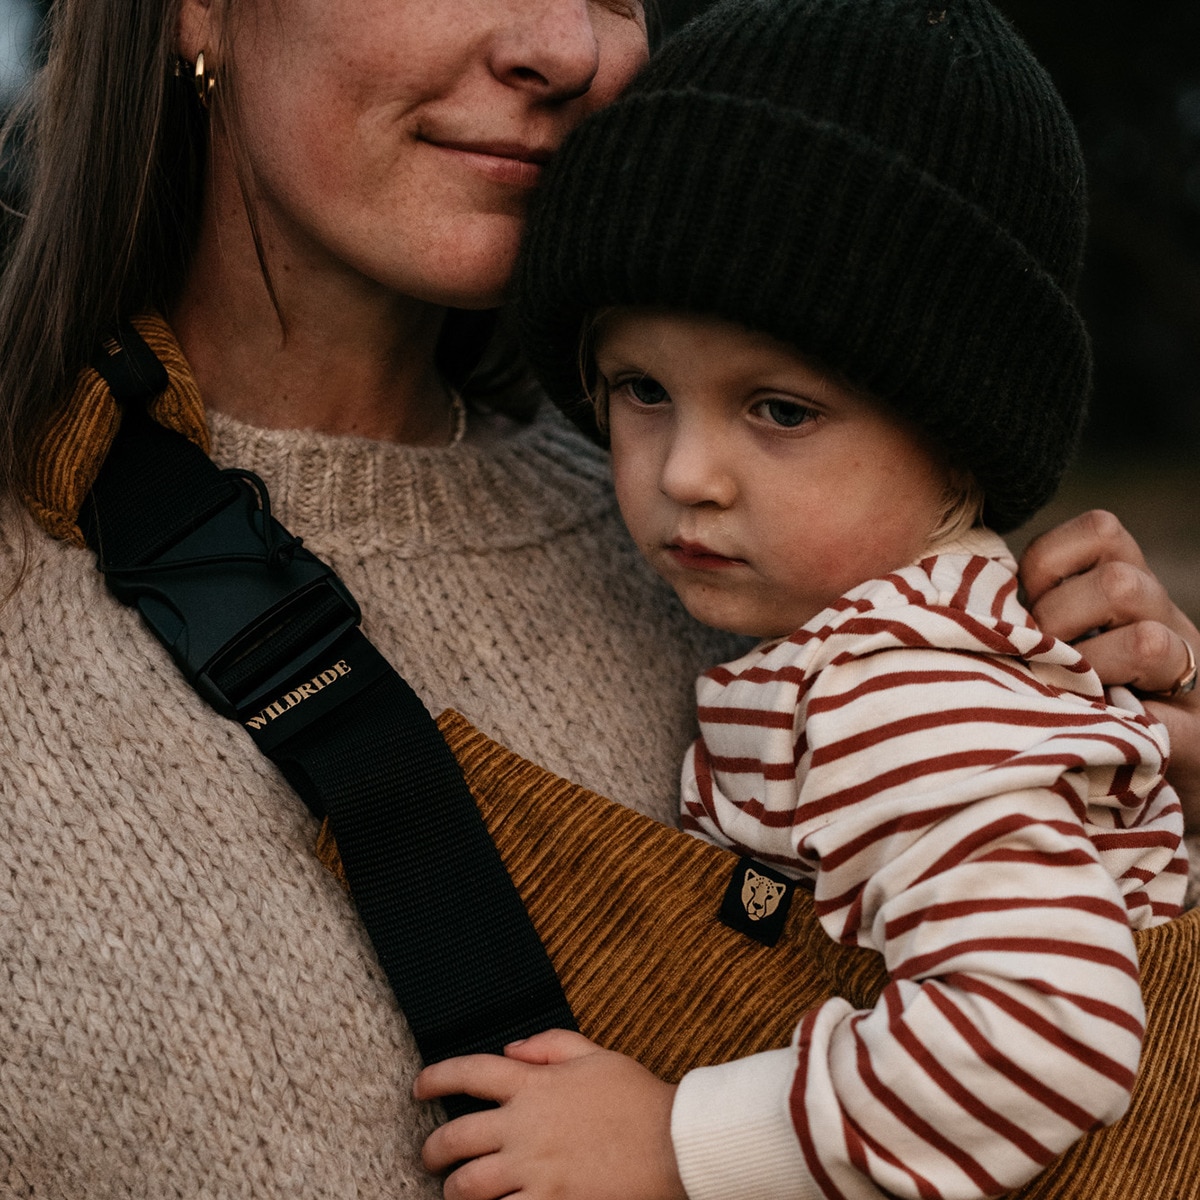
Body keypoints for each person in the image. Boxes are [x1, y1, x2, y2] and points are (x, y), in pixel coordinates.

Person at [0, 0, 1196, 1197]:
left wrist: (1156, 797)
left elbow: (1055, 1032)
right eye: (642, 392)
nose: (564, 46)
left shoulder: (811, 600)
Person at [414, 2, 1196, 1199]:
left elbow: (1050, 1033)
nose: (686, 474)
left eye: (781, 410)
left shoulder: (900, 695)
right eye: (641, 389)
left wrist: (681, 1144)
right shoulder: (883, 645)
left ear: (957, 446)